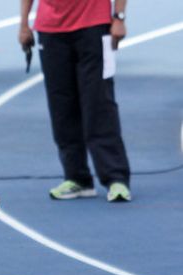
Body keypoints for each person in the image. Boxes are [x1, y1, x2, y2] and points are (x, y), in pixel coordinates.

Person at [19, 0, 132, 202]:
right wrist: (24, 24)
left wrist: (119, 17)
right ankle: (77, 177)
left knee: (99, 103)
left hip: (94, 27)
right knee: (61, 106)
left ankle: (116, 177)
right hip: (50, 30)